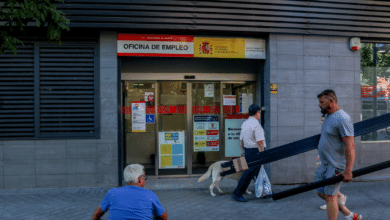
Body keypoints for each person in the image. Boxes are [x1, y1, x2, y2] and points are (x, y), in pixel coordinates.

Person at [315, 89, 362, 220]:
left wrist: (348, 170)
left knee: (330, 197)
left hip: (336, 165)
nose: (319, 105)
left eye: (321, 102)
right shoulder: (328, 115)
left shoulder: (343, 118)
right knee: (320, 191)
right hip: (324, 163)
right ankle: (349, 214)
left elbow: (350, 145)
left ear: (332, 101)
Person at [91, 164, 168, 220]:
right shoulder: (150, 195)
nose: (144, 180)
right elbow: (164, 217)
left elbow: (95, 216)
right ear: (140, 179)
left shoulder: (112, 193)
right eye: (144, 177)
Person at [231, 104, 266, 202]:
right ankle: (237, 193)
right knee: (248, 173)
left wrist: (243, 152)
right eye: (259, 112)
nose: (260, 115)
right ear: (257, 113)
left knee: (259, 172)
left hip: (248, 151)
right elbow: (260, 142)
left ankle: (264, 191)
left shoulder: (245, 123)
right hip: (256, 152)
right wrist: (262, 155)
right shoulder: (256, 125)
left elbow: (240, 140)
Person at [318, 114, 347, 210]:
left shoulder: (334, 129)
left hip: (334, 161)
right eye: (321, 121)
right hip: (326, 160)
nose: (322, 122)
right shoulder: (325, 130)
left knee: (329, 182)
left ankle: (337, 199)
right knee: (325, 181)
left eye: (323, 120)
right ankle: (336, 198)